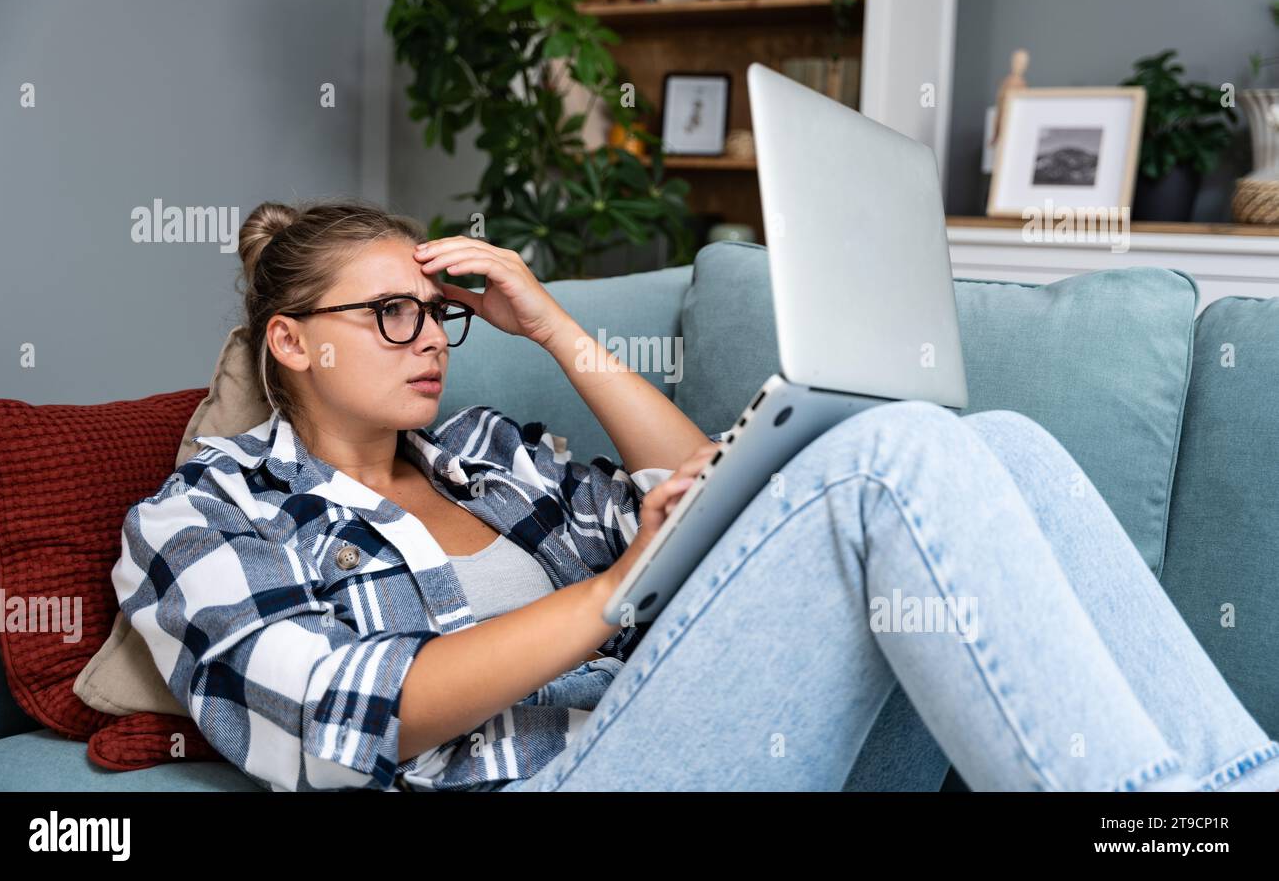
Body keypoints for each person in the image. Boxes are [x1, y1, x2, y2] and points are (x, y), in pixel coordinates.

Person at [114, 198, 1279, 792]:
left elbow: (706, 502)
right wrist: (615, 592)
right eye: (389, 313)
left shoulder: (480, 453)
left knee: (1009, 444)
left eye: (440, 311)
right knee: (893, 456)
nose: (431, 339)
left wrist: (553, 323)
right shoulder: (203, 515)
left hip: (686, 734)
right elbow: (338, 715)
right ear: (292, 343)